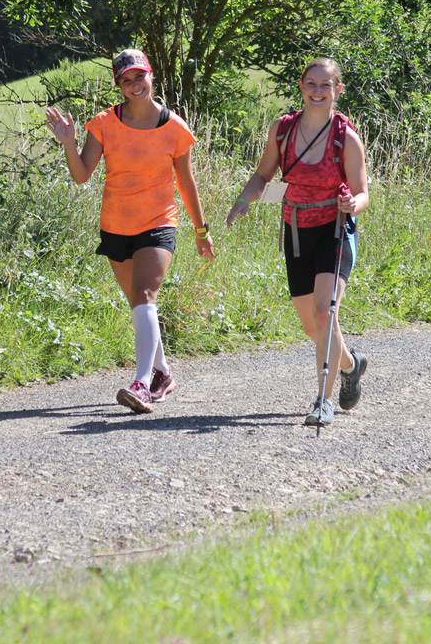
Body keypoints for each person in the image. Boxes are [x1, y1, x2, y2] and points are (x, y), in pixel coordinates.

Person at [45, 49, 215, 414]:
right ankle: (163, 374)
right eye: (127, 80)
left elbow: (186, 183)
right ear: (119, 85)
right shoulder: (104, 123)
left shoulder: (175, 127)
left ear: (151, 76)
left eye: (140, 76)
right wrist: (69, 142)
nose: (135, 85)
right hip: (116, 226)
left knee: (144, 294)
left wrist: (201, 231)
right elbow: (81, 175)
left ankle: (140, 383)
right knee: (140, 305)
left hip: (158, 223)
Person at [227, 58, 369, 427]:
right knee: (313, 326)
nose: (318, 91)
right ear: (302, 86)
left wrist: (354, 203)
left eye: (326, 85)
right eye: (311, 84)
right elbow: (263, 175)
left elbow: (363, 192)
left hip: (335, 229)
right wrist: (244, 200)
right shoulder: (283, 130)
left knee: (326, 314)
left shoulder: (345, 137)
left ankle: (323, 402)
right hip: (295, 229)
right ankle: (351, 365)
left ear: (338, 90)